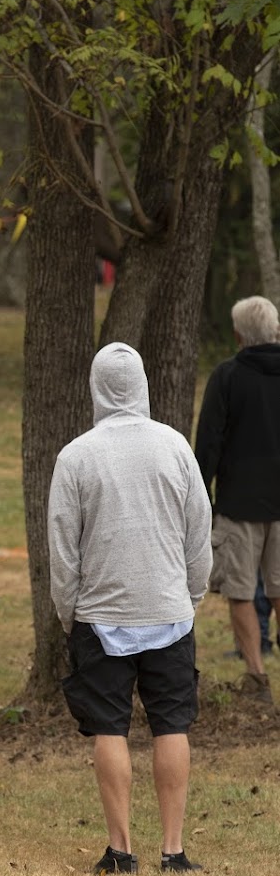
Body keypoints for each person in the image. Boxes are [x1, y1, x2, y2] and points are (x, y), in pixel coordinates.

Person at [48, 342, 212, 876]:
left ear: (95, 388)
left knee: (110, 728)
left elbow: (62, 549)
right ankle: (173, 850)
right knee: (171, 724)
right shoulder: (175, 446)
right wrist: (190, 595)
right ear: (143, 384)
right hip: (168, 609)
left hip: (100, 614)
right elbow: (199, 533)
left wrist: (68, 611)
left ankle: (120, 850)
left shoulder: (76, 455)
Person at [194, 295, 280, 705]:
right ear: (276, 331)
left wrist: (201, 500)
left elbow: (208, 443)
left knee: (242, 592)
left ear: (237, 335)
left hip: (239, 505)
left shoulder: (226, 377)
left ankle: (256, 679)